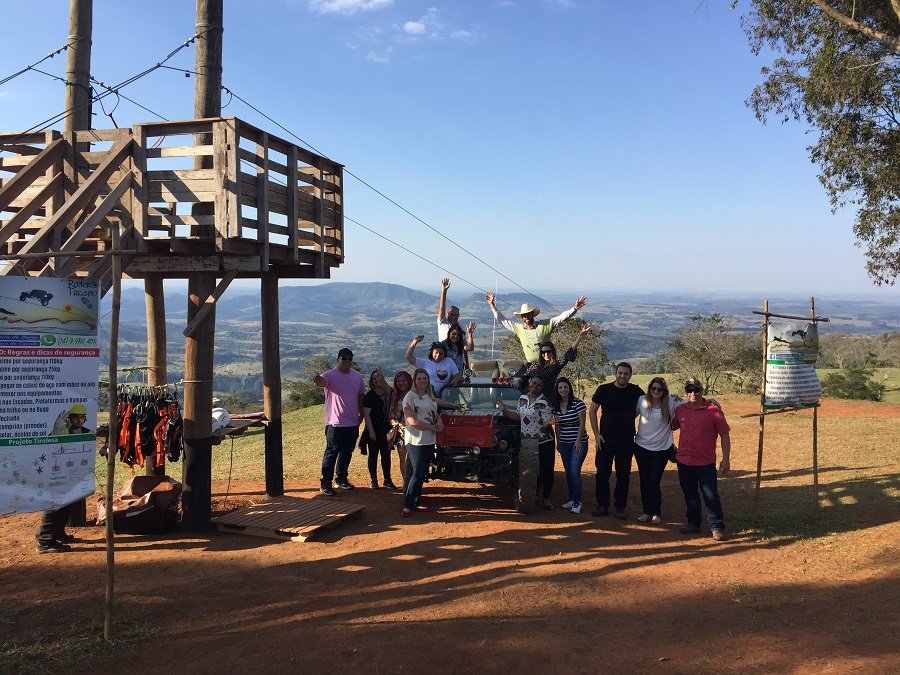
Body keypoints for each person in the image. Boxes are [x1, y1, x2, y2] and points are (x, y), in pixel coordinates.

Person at [672, 378, 732, 541]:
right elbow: (671, 426)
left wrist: (726, 459)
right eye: (689, 390)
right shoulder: (680, 410)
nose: (693, 393)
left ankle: (716, 526)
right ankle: (693, 523)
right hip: (684, 461)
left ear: (702, 391)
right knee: (690, 493)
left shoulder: (713, 411)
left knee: (710, 495)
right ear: (686, 391)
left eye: (696, 390)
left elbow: (724, 435)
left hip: (705, 462)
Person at [589, 362, 644, 519]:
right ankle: (602, 505)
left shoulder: (635, 391)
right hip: (605, 439)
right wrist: (596, 433)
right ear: (615, 373)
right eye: (620, 373)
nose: (622, 376)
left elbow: (652, 401)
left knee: (623, 475)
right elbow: (592, 411)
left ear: (630, 375)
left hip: (626, 440)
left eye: (626, 374)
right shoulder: (604, 390)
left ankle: (620, 507)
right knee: (602, 474)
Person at [35, 404, 91, 554]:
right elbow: (51, 443)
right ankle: (45, 540)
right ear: (70, 419)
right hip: (57, 470)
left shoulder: (86, 432)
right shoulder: (62, 431)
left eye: (81, 417)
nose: (78, 420)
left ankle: (57, 532)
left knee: (68, 500)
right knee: (56, 501)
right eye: (75, 417)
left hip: (72, 470)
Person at [498, 376, 557, 513]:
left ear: (542, 388)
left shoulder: (545, 402)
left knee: (546, 471)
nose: (535, 386)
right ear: (529, 384)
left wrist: (548, 424)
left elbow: (545, 425)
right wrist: (505, 411)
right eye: (533, 383)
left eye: (539, 385)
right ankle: (533, 496)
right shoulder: (522, 399)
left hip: (543, 442)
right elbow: (518, 417)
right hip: (526, 440)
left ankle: (547, 498)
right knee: (531, 471)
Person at [314, 347, 365, 496]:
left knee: (347, 452)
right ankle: (325, 483)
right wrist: (317, 379)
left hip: (352, 422)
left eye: (350, 359)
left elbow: (361, 396)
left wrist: (360, 414)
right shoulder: (330, 375)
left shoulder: (357, 376)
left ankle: (341, 479)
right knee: (331, 452)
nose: (347, 361)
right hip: (335, 423)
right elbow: (321, 382)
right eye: (344, 358)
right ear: (338, 360)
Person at [485, 291, 588, 363]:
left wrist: (574, 308)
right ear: (522, 317)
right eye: (524, 315)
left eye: (528, 314)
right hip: (531, 367)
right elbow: (503, 320)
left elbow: (561, 318)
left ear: (532, 314)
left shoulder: (545, 325)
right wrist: (492, 306)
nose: (527, 317)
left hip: (547, 365)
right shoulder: (519, 329)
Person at [633, 377, 683, 524]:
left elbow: (692, 402)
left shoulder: (670, 402)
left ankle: (656, 512)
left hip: (661, 449)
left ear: (664, 391)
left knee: (654, 480)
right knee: (644, 480)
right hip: (641, 447)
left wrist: (709, 400)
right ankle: (646, 511)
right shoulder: (642, 400)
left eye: (659, 389)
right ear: (649, 389)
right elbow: (630, 415)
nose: (656, 391)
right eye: (653, 388)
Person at [402, 368, 444, 518]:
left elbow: (434, 414)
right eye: (419, 378)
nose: (422, 381)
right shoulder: (410, 397)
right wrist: (433, 427)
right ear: (414, 381)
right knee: (418, 472)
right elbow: (412, 421)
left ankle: (416, 501)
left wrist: (439, 422)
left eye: (424, 378)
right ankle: (407, 505)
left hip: (428, 440)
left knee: (420, 473)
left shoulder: (430, 397)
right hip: (415, 440)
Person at [521, 324, 591, 407]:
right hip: (532, 401)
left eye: (548, 351)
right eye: (543, 352)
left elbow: (568, 354)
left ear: (552, 352)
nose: (546, 354)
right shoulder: (535, 365)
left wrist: (580, 337)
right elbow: (525, 376)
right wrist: (518, 380)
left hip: (547, 402)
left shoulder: (556, 366)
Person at [552, 377, 589, 514]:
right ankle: (572, 499)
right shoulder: (556, 406)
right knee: (569, 472)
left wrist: (578, 441)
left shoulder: (577, 404)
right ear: (557, 390)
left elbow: (582, 424)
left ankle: (578, 502)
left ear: (569, 388)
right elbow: (557, 426)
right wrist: (559, 442)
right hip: (564, 444)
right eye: (560, 388)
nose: (563, 390)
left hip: (578, 444)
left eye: (565, 387)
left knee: (574, 471)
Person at [361, 368, 398, 490]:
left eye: (379, 377)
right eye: (374, 378)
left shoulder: (390, 393)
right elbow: (367, 415)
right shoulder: (370, 396)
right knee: (373, 455)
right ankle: (373, 480)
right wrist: (371, 432)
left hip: (386, 429)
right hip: (373, 429)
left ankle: (387, 480)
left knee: (386, 455)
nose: (376, 380)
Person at [388, 370, 413, 493]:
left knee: (412, 459)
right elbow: (391, 414)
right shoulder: (394, 396)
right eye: (399, 381)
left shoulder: (415, 395)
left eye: (404, 380)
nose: (401, 383)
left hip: (414, 431)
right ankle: (406, 484)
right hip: (401, 432)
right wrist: (394, 422)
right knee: (402, 458)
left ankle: (412, 484)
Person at [436, 277, 461, 341]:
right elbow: (442, 308)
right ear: (447, 314)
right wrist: (444, 291)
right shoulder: (443, 322)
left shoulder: (460, 327)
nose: (454, 316)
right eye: (451, 314)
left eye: (456, 314)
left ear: (459, 315)